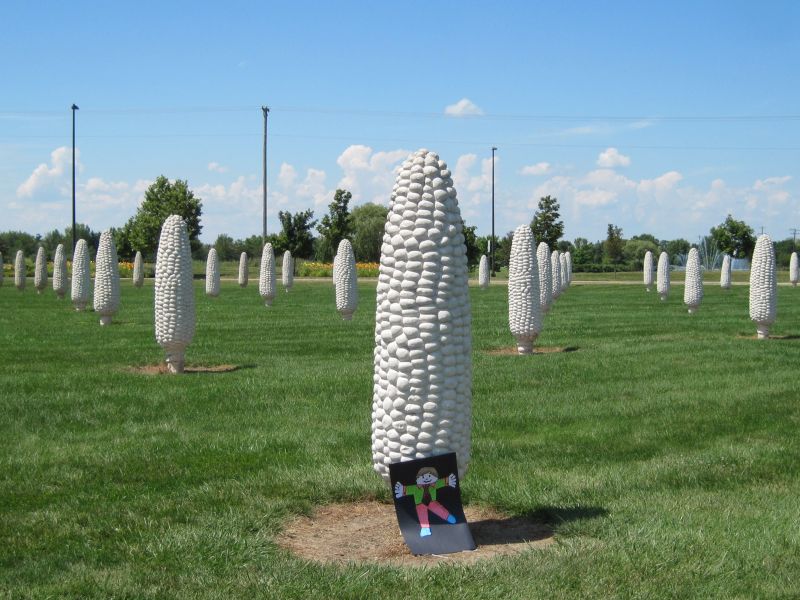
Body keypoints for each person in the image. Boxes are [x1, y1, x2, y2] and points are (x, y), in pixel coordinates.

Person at [394, 466, 457, 537]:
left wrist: (448, 481)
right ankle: (425, 528)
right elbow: (409, 489)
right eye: (423, 477)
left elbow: (441, 482)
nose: (426, 479)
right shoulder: (416, 488)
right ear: (418, 478)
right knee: (422, 514)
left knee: (439, 509)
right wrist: (401, 490)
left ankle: (448, 516)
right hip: (420, 504)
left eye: (430, 476)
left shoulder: (434, 484)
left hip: (432, 502)